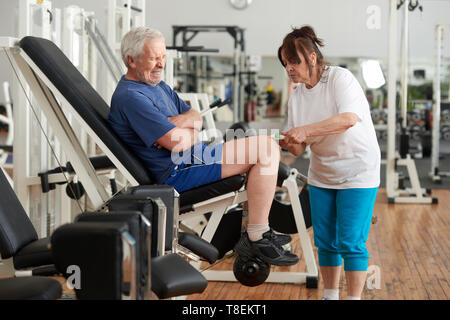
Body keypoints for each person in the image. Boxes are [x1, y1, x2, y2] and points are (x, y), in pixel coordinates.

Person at [108, 27, 299, 267]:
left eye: (163, 57)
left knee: (266, 146)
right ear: (131, 59)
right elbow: (178, 141)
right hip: (177, 172)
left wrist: (180, 126)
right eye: (154, 57)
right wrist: (183, 131)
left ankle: (253, 232)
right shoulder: (131, 97)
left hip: (194, 157)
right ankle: (257, 236)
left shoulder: (159, 87)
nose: (160, 64)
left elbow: (195, 116)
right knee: (266, 148)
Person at [278, 26, 380, 300]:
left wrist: (305, 131)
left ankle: (354, 298)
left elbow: (347, 119)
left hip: (358, 171)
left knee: (351, 242)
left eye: (294, 61)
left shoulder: (339, 78)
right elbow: (299, 147)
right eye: (286, 63)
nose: (289, 68)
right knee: (325, 242)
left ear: (312, 58)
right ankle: (330, 296)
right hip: (323, 173)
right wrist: (287, 142)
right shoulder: (297, 95)